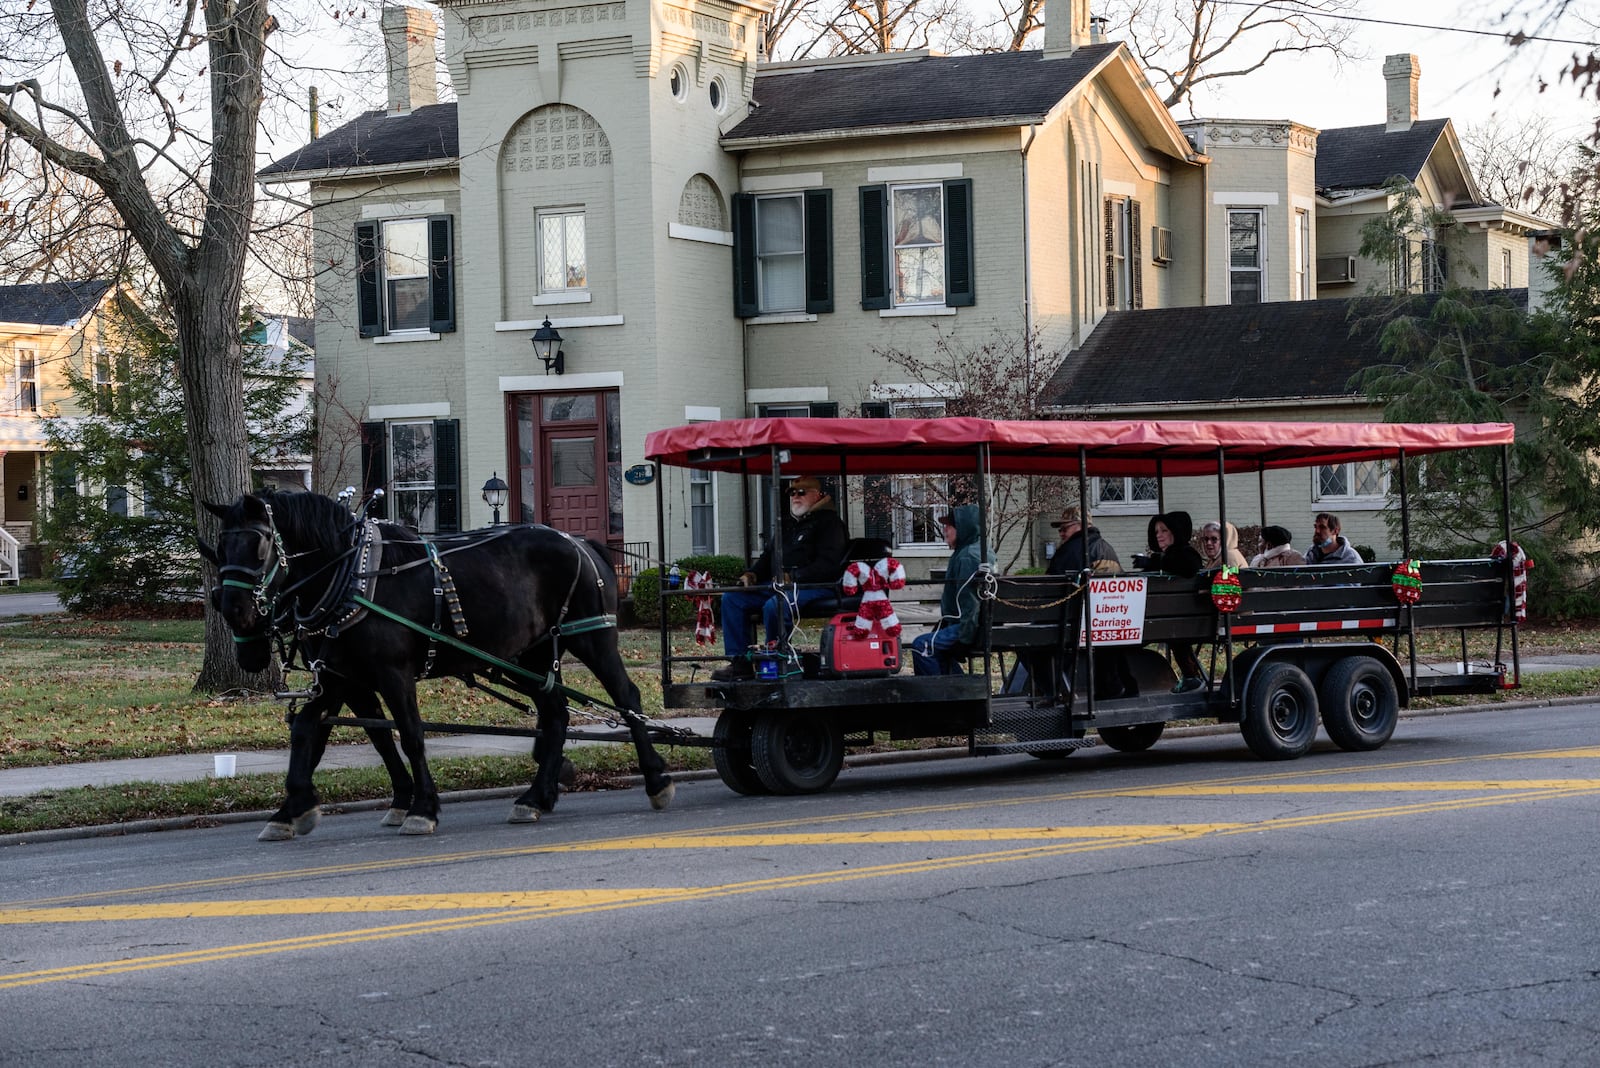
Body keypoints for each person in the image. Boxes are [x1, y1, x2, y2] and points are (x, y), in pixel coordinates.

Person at [711, 475, 848, 680]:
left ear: (818, 495)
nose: (795, 497)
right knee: (733, 599)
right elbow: (768, 556)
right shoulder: (788, 524)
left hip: (817, 585)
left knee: (776, 605)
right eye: (792, 493)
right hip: (781, 584)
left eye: (802, 492)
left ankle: (776, 659)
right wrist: (753, 574)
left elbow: (829, 564)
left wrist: (794, 576)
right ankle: (740, 662)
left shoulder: (831, 524)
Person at [911, 505, 989, 676]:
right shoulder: (976, 550)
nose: (944, 529)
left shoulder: (968, 557)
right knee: (936, 649)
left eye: (950, 525)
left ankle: (939, 699)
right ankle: (961, 692)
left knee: (921, 646)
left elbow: (971, 603)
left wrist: (964, 639)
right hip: (979, 624)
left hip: (971, 627)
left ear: (963, 529)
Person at [1137, 511, 1206, 693]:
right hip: (1171, 617)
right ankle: (1190, 676)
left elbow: (1188, 566)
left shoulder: (1186, 554)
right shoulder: (1167, 557)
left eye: (1164, 530)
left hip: (1182, 619)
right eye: (1156, 531)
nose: (1158, 535)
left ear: (1176, 532)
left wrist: (1155, 563)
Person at [1047, 504, 1121, 576]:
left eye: (1064, 529)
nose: (1061, 534)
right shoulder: (1106, 548)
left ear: (1081, 524)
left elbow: (1052, 581)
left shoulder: (1069, 550)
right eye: (1060, 530)